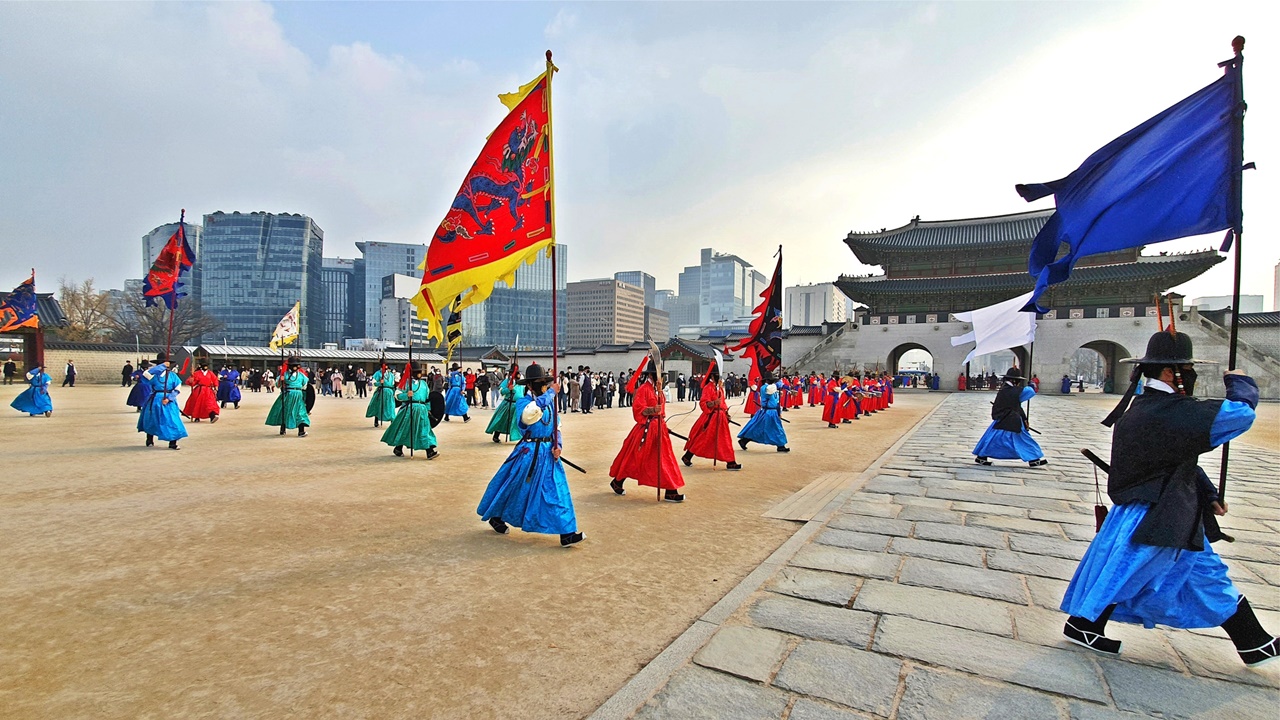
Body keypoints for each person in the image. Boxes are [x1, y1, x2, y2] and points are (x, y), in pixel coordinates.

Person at [1060, 330, 1277, 667]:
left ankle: (1254, 642)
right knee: (1133, 573)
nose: (1190, 375)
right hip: (1158, 514)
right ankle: (1085, 623)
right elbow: (1240, 415)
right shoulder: (1166, 410)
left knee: (1198, 573)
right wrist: (1240, 383)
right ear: (1168, 373)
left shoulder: (1144, 408)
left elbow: (1175, 459)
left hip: (1164, 509)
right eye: (1187, 368)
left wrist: (1208, 494)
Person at [477, 363, 583, 547]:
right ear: (529, 385)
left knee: (557, 492)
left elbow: (556, 427)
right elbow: (529, 416)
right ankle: (496, 515)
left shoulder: (550, 404)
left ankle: (566, 532)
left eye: (544, 383)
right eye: (539, 383)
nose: (543, 386)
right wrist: (550, 394)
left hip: (549, 454)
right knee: (514, 488)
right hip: (528, 453)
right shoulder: (524, 403)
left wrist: (558, 445)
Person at [608, 359, 686, 502]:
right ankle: (618, 481)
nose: (661, 377)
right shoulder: (644, 389)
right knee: (634, 459)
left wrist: (661, 420)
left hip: (659, 429)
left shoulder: (659, 391)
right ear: (651, 375)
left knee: (664, 459)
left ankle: (671, 490)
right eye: (659, 374)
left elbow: (661, 410)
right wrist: (651, 410)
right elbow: (637, 409)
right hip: (646, 430)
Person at [972, 367, 1046, 467]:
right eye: (1018, 381)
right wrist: (1031, 385)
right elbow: (1030, 392)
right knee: (1023, 439)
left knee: (992, 439)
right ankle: (1033, 459)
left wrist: (1024, 419)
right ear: (1014, 380)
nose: (1019, 383)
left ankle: (981, 457)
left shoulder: (1007, 389)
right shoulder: (1010, 390)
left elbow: (1017, 405)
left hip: (1007, 418)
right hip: (1009, 419)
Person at [682, 365, 741, 470]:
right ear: (712, 376)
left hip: (721, 417)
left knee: (724, 439)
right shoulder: (708, 388)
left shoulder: (719, 389)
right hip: (712, 417)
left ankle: (730, 461)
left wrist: (726, 414)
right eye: (717, 375)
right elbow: (703, 403)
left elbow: (723, 403)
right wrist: (714, 402)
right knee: (704, 439)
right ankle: (688, 456)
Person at [381, 362, 438, 458]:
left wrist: (428, 409)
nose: (419, 374)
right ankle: (398, 447)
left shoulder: (424, 384)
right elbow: (397, 395)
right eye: (417, 372)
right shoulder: (405, 383)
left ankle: (430, 451)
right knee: (405, 430)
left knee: (424, 430)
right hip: (409, 409)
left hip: (422, 410)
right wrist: (406, 395)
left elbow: (427, 398)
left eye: (420, 372)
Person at [137, 353, 186, 449]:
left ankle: (173, 442)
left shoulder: (173, 375)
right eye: (159, 364)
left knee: (172, 420)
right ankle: (149, 439)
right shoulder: (152, 375)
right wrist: (162, 366)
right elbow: (146, 374)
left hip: (168, 401)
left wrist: (169, 398)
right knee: (152, 419)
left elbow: (177, 388)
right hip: (155, 400)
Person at [738, 371, 789, 452]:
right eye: (771, 380)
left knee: (768, 428)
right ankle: (780, 445)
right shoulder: (765, 388)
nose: (772, 382)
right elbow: (771, 390)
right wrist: (778, 385)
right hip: (768, 412)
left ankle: (744, 440)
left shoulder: (772, 388)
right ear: (767, 380)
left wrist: (779, 412)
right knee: (774, 429)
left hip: (773, 411)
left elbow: (776, 401)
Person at [266, 358, 311, 437]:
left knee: (300, 413)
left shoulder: (301, 375)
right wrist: (281, 380)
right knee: (285, 411)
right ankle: (283, 428)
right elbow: (278, 385)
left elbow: (305, 386)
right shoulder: (284, 375)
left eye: (296, 365)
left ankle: (301, 431)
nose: (294, 367)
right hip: (288, 395)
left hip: (299, 396)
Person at [486, 363, 523, 443]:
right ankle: (496, 435)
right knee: (501, 419)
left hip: (517, 404)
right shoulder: (507, 381)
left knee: (517, 421)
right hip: (507, 403)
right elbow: (502, 392)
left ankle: (518, 437)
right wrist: (508, 389)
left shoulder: (521, 383)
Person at [366, 363, 398, 428]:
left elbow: (393, 384)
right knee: (378, 405)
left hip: (389, 392)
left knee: (391, 406)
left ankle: (392, 420)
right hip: (381, 391)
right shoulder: (378, 373)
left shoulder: (391, 375)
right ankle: (376, 420)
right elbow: (373, 383)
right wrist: (380, 382)